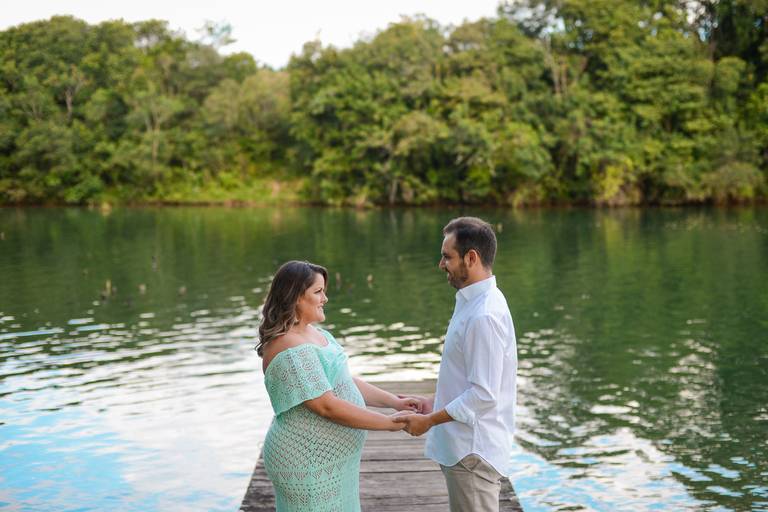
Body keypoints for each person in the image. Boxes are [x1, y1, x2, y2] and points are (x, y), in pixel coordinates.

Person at [257, 260, 419, 512]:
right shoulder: (290, 348)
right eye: (318, 292)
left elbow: (344, 381)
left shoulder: (314, 333)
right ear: (296, 297)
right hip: (307, 460)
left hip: (333, 459)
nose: (325, 298)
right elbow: (326, 406)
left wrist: (394, 402)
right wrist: (390, 423)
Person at [394, 217, 518, 512]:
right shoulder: (473, 302)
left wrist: (430, 420)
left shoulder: (484, 315)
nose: (441, 264)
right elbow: (468, 378)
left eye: (447, 257)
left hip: (472, 452)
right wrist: (435, 401)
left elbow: (483, 395)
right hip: (464, 450)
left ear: (471, 258)